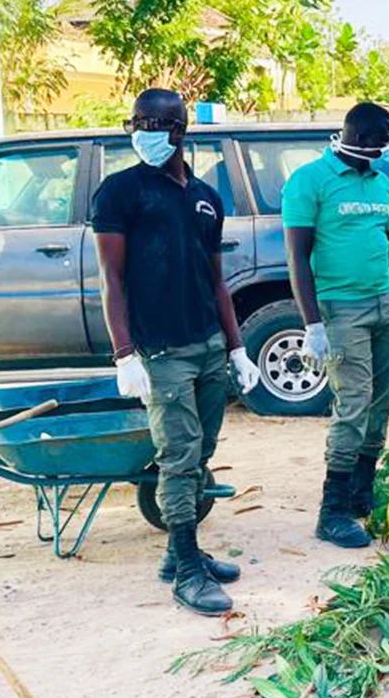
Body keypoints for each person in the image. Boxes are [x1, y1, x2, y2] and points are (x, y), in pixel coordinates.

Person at [91, 88, 262, 615]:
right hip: (161, 350)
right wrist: (125, 353)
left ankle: (178, 552)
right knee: (179, 457)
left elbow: (216, 282)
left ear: (180, 130)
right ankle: (186, 568)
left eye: (155, 122)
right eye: (136, 122)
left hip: (208, 345)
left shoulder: (207, 196)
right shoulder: (119, 193)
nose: (142, 131)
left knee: (202, 450)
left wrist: (237, 350)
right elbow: (112, 281)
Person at [282, 102, 389, 548]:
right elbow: (297, 258)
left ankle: (363, 493)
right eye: (383, 139)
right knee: (353, 404)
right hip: (341, 310)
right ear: (361, 139)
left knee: (381, 403)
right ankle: (333, 511)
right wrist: (313, 323)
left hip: (385, 305)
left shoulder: (381, 184)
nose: (387, 147)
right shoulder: (309, 182)